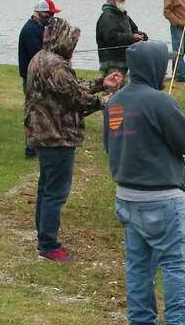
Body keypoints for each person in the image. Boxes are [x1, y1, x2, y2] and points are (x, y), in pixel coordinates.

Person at [103, 40, 185, 325]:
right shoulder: (160, 102)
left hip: (126, 197)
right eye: (164, 65)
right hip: (161, 198)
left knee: (138, 263)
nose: (167, 71)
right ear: (153, 67)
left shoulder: (114, 102)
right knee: (174, 262)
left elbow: (110, 146)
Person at [25, 17, 123, 261]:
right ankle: (48, 244)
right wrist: (105, 102)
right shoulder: (55, 64)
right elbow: (76, 99)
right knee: (55, 192)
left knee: (46, 187)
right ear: (63, 39)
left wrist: (102, 83)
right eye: (72, 41)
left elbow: (72, 87)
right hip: (56, 136)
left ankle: (43, 237)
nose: (74, 46)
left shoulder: (41, 58)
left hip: (44, 134)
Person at [18, 0, 61, 158]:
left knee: (41, 111)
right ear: (41, 13)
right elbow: (38, 54)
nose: (51, 17)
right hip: (32, 78)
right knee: (33, 113)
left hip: (37, 76)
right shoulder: (30, 30)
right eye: (49, 14)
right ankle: (31, 150)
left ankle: (40, 146)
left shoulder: (38, 27)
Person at [95, 0, 147, 77]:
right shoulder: (108, 16)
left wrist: (141, 35)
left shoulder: (123, 15)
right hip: (111, 63)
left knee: (123, 89)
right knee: (112, 90)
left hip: (124, 60)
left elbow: (134, 30)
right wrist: (132, 37)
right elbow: (112, 37)